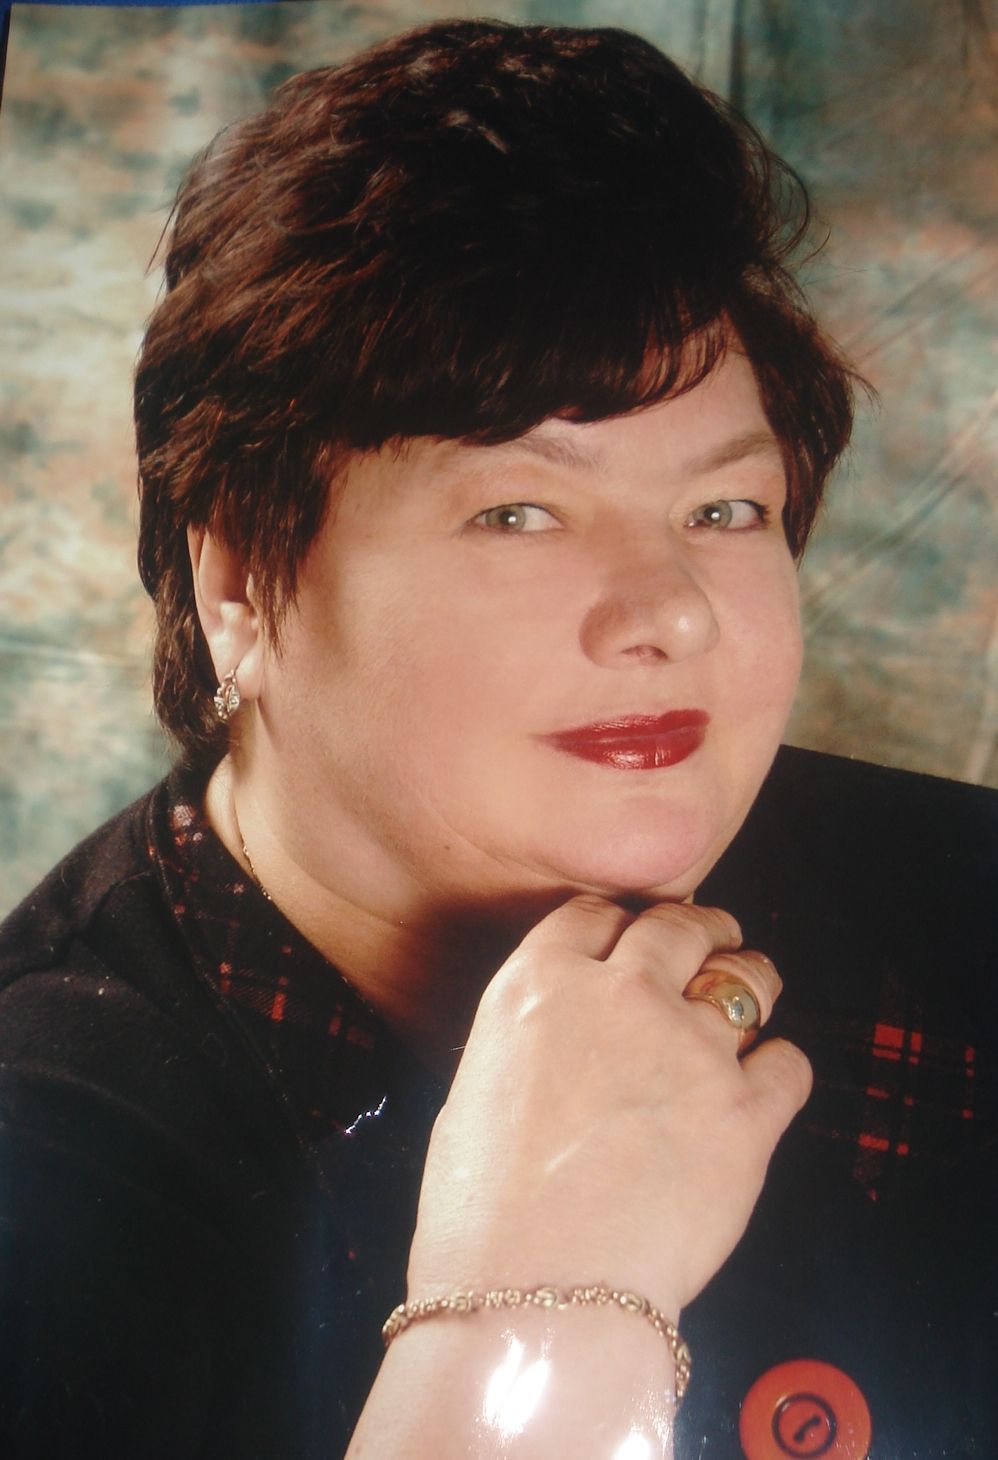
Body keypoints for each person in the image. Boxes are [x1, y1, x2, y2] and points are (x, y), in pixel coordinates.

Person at [1, 18, 994, 1459]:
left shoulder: (963, 902)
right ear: (241, 590)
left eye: (725, 510)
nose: (671, 612)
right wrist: (535, 1316)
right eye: (517, 513)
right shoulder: (45, 1177)